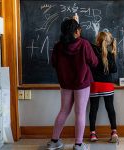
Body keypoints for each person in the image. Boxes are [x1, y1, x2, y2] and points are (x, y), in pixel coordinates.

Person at [46, 18, 98, 150]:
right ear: (76, 31)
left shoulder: (58, 46)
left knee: (63, 111)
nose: (80, 31)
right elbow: (94, 62)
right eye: (79, 29)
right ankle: (78, 144)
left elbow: (53, 63)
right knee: (80, 113)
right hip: (82, 84)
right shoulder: (84, 44)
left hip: (65, 84)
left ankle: (54, 141)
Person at [89, 31, 118, 143]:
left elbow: (82, 40)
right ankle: (114, 132)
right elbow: (114, 70)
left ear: (97, 40)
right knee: (110, 108)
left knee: (93, 109)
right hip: (107, 85)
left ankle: (92, 134)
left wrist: (76, 22)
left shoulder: (93, 50)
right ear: (109, 42)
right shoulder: (110, 54)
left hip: (95, 85)